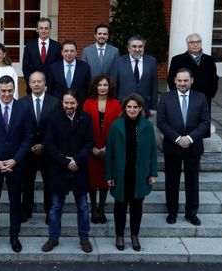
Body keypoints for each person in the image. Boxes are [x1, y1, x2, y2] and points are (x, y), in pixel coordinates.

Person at [0, 75, 34, 253]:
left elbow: (28, 138)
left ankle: (14, 236)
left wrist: (15, 160)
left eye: (10, 90)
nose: (7, 94)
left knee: (15, 202)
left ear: (14, 89)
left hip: (15, 165)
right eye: (3, 91)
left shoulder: (24, 109)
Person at [41, 90, 94, 253]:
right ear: (62, 103)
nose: (69, 106)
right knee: (55, 206)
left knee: (83, 206)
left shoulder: (86, 118)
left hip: (80, 167)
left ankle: (84, 238)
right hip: (59, 168)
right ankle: (53, 238)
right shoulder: (54, 118)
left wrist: (77, 160)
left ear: (77, 103)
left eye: (72, 103)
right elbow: (49, 144)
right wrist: (66, 161)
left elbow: (90, 142)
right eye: (66, 103)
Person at [158, 68, 210, 226]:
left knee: (192, 180)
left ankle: (191, 212)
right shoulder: (166, 98)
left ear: (191, 81)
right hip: (172, 146)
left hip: (193, 147)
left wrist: (189, 138)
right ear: (174, 81)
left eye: (186, 80)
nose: (182, 83)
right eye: (179, 80)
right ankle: (172, 212)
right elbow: (161, 122)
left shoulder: (201, 98)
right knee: (172, 180)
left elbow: (205, 122)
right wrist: (178, 138)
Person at [105, 94, 158, 252]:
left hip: (139, 174)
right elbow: (110, 153)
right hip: (121, 174)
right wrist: (108, 175)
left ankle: (134, 235)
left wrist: (153, 173)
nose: (132, 110)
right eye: (129, 107)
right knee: (120, 205)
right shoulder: (116, 125)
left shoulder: (147, 126)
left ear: (140, 108)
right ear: (124, 108)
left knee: (137, 206)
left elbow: (153, 152)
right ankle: (119, 235)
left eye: (135, 107)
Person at [19, 71, 60, 224]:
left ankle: (49, 212)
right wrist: (30, 145)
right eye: (33, 82)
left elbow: (55, 127)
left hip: (48, 150)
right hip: (28, 150)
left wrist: (43, 144)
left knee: (49, 182)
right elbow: (20, 128)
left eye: (39, 81)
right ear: (29, 84)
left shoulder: (55, 102)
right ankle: (26, 211)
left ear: (45, 84)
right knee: (27, 182)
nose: (36, 84)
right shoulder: (22, 103)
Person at [82, 75, 121, 224]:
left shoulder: (116, 104)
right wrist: (91, 147)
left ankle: (102, 208)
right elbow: (83, 127)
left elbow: (118, 128)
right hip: (90, 149)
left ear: (109, 87)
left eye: (105, 85)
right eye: (100, 85)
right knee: (92, 180)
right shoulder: (87, 103)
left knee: (105, 180)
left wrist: (106, 147)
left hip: (108, 149)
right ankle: (93, 208)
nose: (102, 88)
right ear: (95, 87)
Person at [167, 33, 218, 138]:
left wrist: (210, 94)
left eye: (198, 42)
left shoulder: (209, 60)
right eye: (192, 42)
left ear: (201, 43)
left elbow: (214, 78)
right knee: (184, 123)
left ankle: (198, 148)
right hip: (184, 97)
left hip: (204, 97)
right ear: (187, 44)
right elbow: (171, 79)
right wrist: (178, 94)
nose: (195, 45)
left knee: (202, 125)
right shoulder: (177, 59)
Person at [111, 35, 158, 118]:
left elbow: (154, 85)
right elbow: (114, 85)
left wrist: (153, 107)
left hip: (144, 105)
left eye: (140, 46)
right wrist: (114, 105)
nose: (137, 49)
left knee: (142, 129)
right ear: (129, 48)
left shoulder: (151, 61)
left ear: (144, 48)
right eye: (134, 46)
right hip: (124, 105)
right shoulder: (119, 61)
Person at [22, 17, 62, 94]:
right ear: (37, 29)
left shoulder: (57, 46)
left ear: (50, 29)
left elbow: (59, 69)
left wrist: (49, 86)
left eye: (46, 28)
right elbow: (25, 67)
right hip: (33, 88)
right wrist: (31, 84)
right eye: (41, 28)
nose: (43, 31)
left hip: (51, 89)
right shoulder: (29, 46)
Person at [48, 40, 90, 104]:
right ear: (62, 52)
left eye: (72, 51)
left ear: (76, 52)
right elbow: (50, 89)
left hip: (79, 105)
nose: (69, 53)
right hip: (58, 105)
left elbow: (87, 88)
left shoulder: (85, 67)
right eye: (66, 51)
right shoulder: (54, 67)